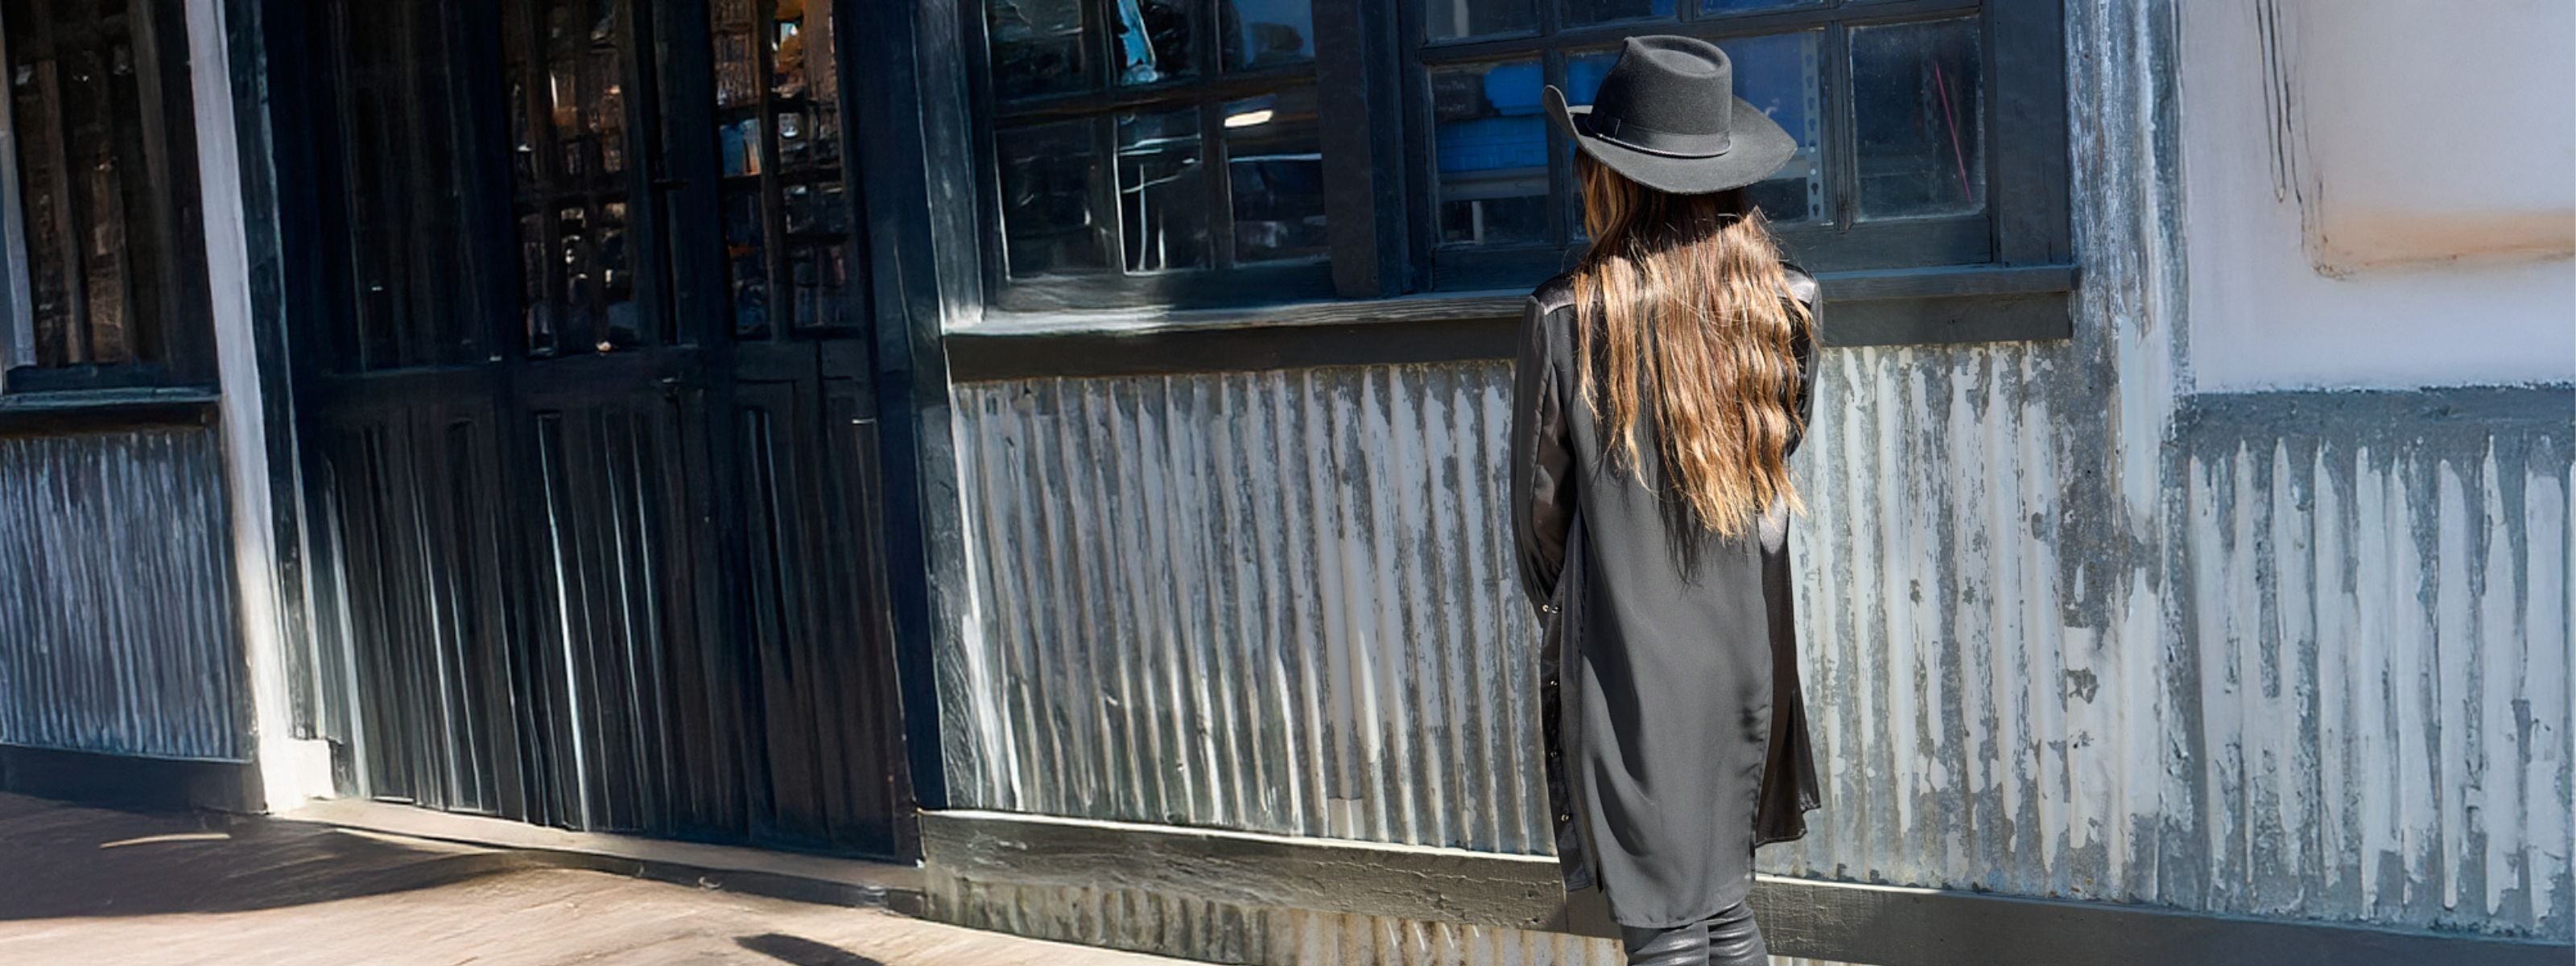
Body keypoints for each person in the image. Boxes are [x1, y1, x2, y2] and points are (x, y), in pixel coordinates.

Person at [1510, 35, 1824, 966]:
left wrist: (1580, 610)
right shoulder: (1788, 301)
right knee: (1717, 907)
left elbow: (1539, 519)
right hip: (1741, 648)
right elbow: (1779, 447)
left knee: (1663, 925)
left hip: (1624, 652)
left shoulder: (1566, 316)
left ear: (1611, 175)